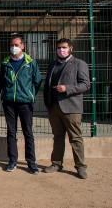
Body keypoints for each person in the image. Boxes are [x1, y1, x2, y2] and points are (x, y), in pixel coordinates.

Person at [43, 38, 90, 179]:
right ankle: (56, 163)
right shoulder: (53, 65)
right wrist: (48, 103)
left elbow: (85, 84)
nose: (61, 50)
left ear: (71, 48)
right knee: (57, 137)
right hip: (55, 107)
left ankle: (80, 167)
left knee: (75, 138)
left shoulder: (79, 64)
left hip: (71, 108)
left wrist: (67, 88)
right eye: (58, 48)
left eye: (63, 47)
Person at [0, 35, 42, 174]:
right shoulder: (5, 63)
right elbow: (1, 82)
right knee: (11, 132)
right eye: (12, 45)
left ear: (23, 46)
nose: (14, 47)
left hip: (25, 103)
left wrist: (29, 94)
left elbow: (37, 81)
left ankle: (31, 162)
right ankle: (12, 161)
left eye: (16, 45)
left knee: (28, 132)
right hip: (9, 102)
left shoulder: (31, 62)